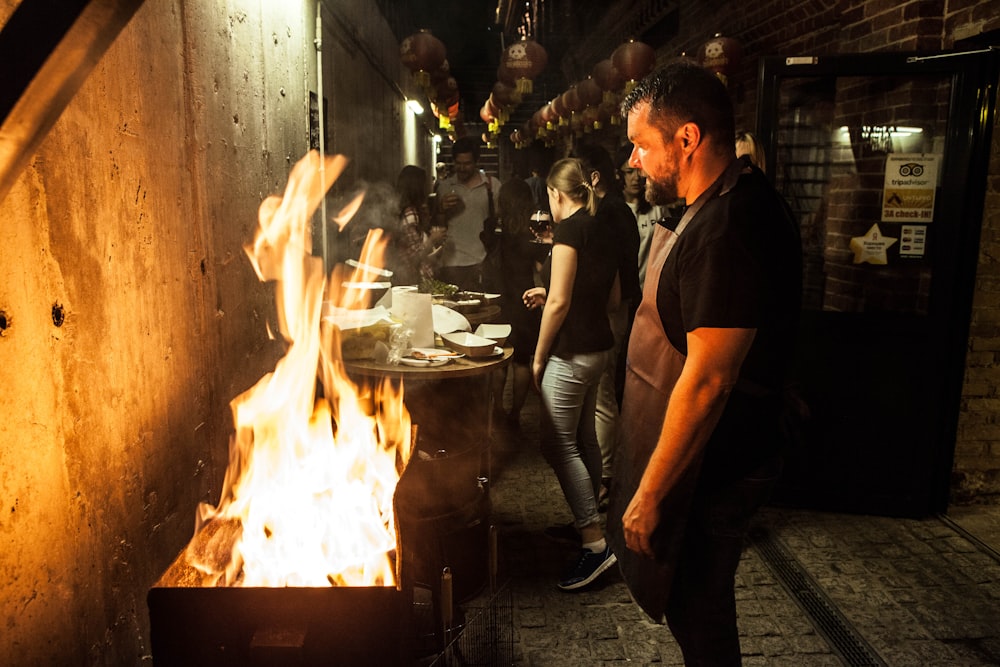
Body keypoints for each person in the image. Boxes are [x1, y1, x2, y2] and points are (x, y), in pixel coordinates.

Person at [608, 62, 802, 665]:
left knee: (700, 606)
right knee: (698, 606)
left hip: (720, 462)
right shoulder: (712, 204)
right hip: (714, 452)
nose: (634, 162)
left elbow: (710, 379)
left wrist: (650, 493)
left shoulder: (728, 228)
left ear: (686, 139)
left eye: (642, 145)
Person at [522, 158, 620, 591]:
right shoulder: (605, 226)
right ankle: (593, 520)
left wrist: (538, 358)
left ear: (556, 195)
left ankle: (594, 543)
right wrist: (556, 293)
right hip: (599, 348)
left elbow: (559, 304)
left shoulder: (567, 230)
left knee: (556, 445)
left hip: (571, 354)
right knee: (582, 440)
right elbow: (611, 294)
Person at [572, 143, 641, 511]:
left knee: (602, 395)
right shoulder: (610, 210)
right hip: (609, 308)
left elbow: (611, 272)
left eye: (577, 176)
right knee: (598, 394)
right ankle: (600, 475)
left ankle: (605, 479)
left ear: (594, 177)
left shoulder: (611, 213)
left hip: (612, 310)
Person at [488, 179, 548, 428]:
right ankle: (515, 414)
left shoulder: (492, 228)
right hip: (525, 299)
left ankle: (498, 408)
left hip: (498, 298)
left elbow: (486, 251)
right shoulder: (532, 234)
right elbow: (541, 268)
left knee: (498, 358)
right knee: (522, 360)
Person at [436, 137, 502, 291]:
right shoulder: (445, 187)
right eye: (458, 163)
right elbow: (437, 226)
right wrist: (440, 209)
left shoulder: (492, 186)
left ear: (476, 162)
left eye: (467, 164)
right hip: (451, 262)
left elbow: (500, 219)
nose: (462, 168)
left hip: (482, 261)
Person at [616, 142, 663, 290]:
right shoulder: (615, 211)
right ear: (618, 175)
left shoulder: (657, 208)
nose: (636, 178)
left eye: (639, 170)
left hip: (653, 287)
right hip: (626, 291)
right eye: (629, 172)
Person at [391, 165, 444, 285]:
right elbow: (415, 258)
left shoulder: (400, 211)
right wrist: (432, 239)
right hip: (414, 282)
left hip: (411, 279)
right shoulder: (410, 214)